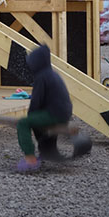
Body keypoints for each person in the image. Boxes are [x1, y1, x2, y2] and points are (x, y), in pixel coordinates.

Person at [16, 44, 73, 172]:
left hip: (54, 114)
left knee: (24, 123)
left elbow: (36, 101)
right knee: (39, 121)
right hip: (64, 113)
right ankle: (47, 151)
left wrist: (30, 118)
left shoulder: (41, 77)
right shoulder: (52, 74)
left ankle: (30, 158)